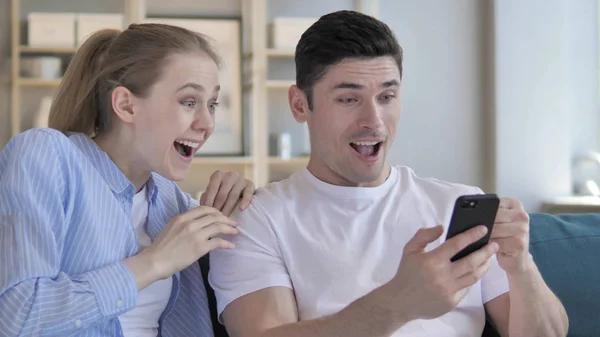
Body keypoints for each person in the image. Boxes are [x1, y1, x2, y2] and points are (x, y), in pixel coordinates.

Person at [208, 10, 569, 337]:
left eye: (386, 96)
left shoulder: (457, 203)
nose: (373, 121)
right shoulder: (258, 218)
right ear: (300, 105)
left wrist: (521, 268)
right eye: (349, 99)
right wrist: (399, 304)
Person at [0, 23, 253, 336]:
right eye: (189, 102)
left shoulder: (169, 198)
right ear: (125, 105)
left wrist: (240, 197)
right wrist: (154, 263)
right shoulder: (47, 155)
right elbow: (16, 317)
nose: (207, 123)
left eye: (212, 104)